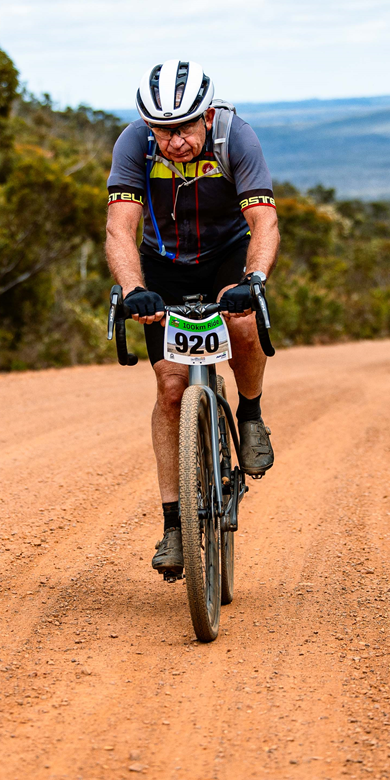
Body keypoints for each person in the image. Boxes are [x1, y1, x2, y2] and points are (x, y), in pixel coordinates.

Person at [105, 60, 280, 577]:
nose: (176, 141)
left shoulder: (234, 137)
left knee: (242, 323)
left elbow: (264, 220)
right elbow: (120, 228)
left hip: (227, 255)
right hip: (165, 263)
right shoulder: (134, 144)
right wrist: (134, 289)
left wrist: (254, 279)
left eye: (184, 128)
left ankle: (250, 416)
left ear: (205, 116)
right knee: (170, 389)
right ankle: (175, 527)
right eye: (164, 131)